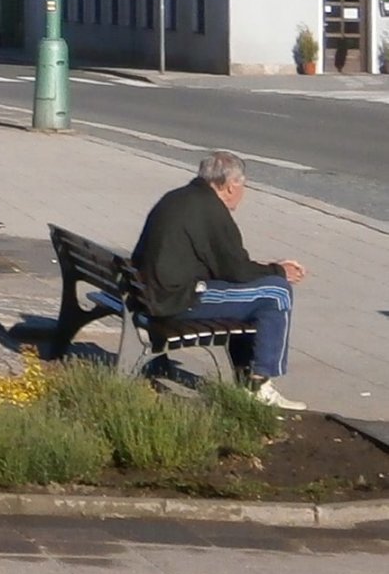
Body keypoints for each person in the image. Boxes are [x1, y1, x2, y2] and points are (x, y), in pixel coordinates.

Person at [131, 150, 308, 409]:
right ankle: (259, 384)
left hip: (151, 291)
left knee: (257, 291)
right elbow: (236, 270)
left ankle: (246, 375)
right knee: (276, 293)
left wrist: (269, 269)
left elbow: (226, 267)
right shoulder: (210, 210)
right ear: (228, 186)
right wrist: (279, 271)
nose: (243, 193)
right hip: (176, 300)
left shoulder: (179, 197)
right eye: (243, 185)